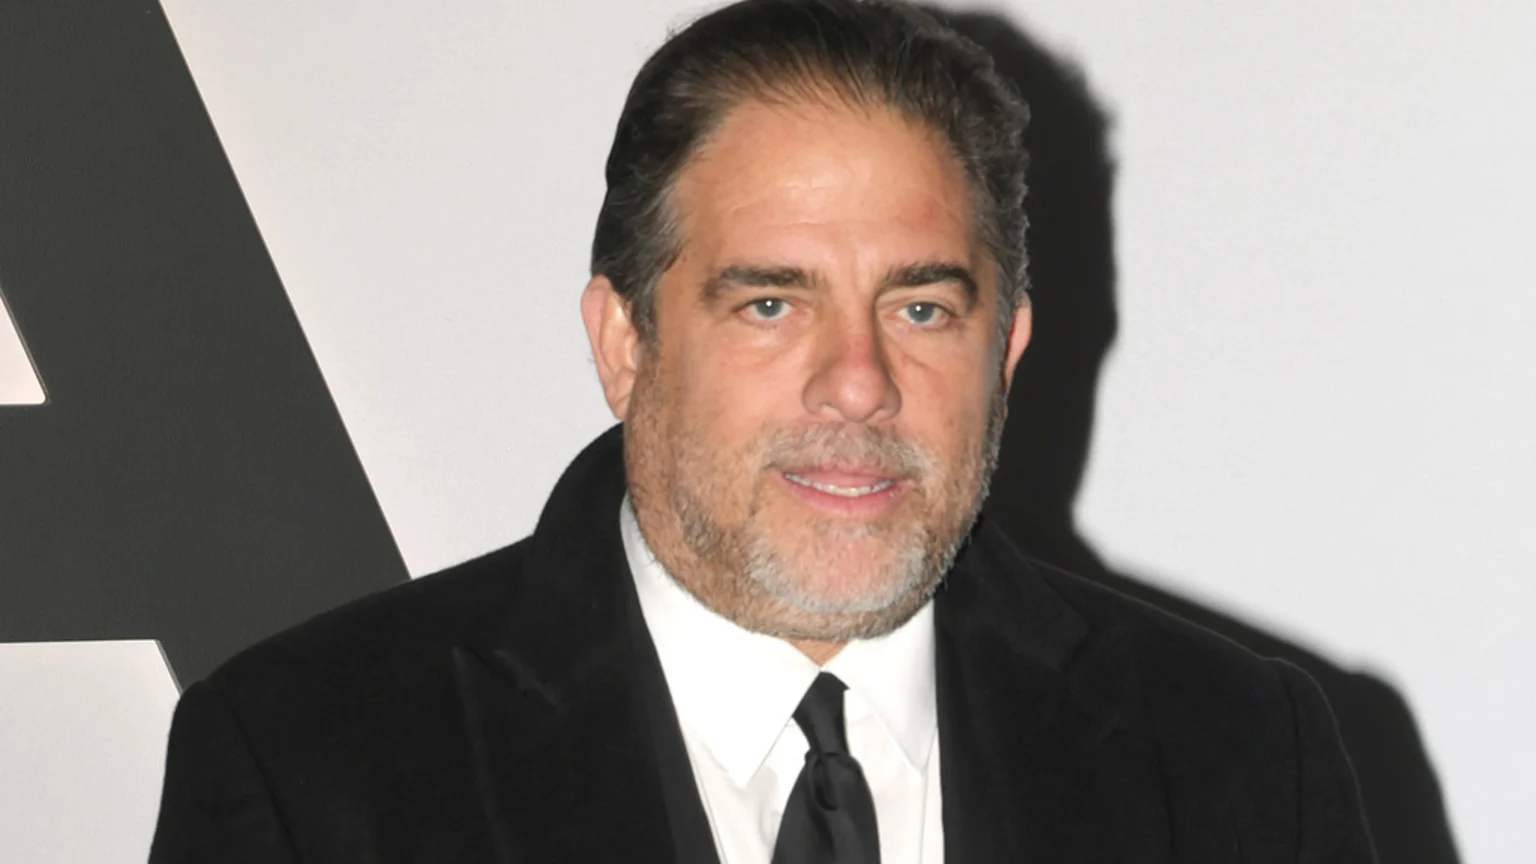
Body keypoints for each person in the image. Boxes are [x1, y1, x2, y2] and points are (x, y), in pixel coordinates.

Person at [149, 1, 1376, 861]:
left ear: (1003, 353)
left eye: (921, 307)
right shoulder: (311, 764)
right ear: (625, 344)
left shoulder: (1233, 755)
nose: (858, 385)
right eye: (772, 304)